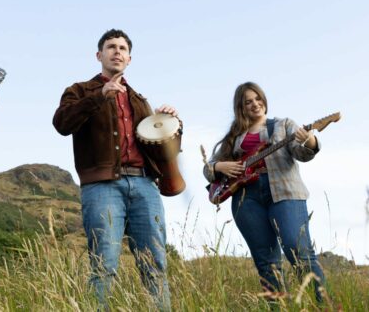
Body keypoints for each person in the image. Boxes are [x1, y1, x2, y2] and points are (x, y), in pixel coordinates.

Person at [53, 29, 176, 310]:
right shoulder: (79, 90)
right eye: (111, 47)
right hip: (102, 186)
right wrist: (100, 96)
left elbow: (158, 148)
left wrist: (171, 124)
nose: (117, 51)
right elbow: (61, 123)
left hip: (145, 185)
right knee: (104, 262)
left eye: (122, 48)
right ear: (99, 55)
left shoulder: (140, 99)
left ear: (129, 59)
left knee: (155, 263)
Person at [203, 82, 326, 302]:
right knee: (266, 261)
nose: (255, 104)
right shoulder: (234, 137)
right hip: (246, 199)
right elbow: (209, 169)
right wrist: (219, 167)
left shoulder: (283, 125)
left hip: (285, 192)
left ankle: (322, 304)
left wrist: (310, 140)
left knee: (297, 248)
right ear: (241, 107)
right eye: (248, 101)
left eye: (258, 98)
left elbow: (302, 153)